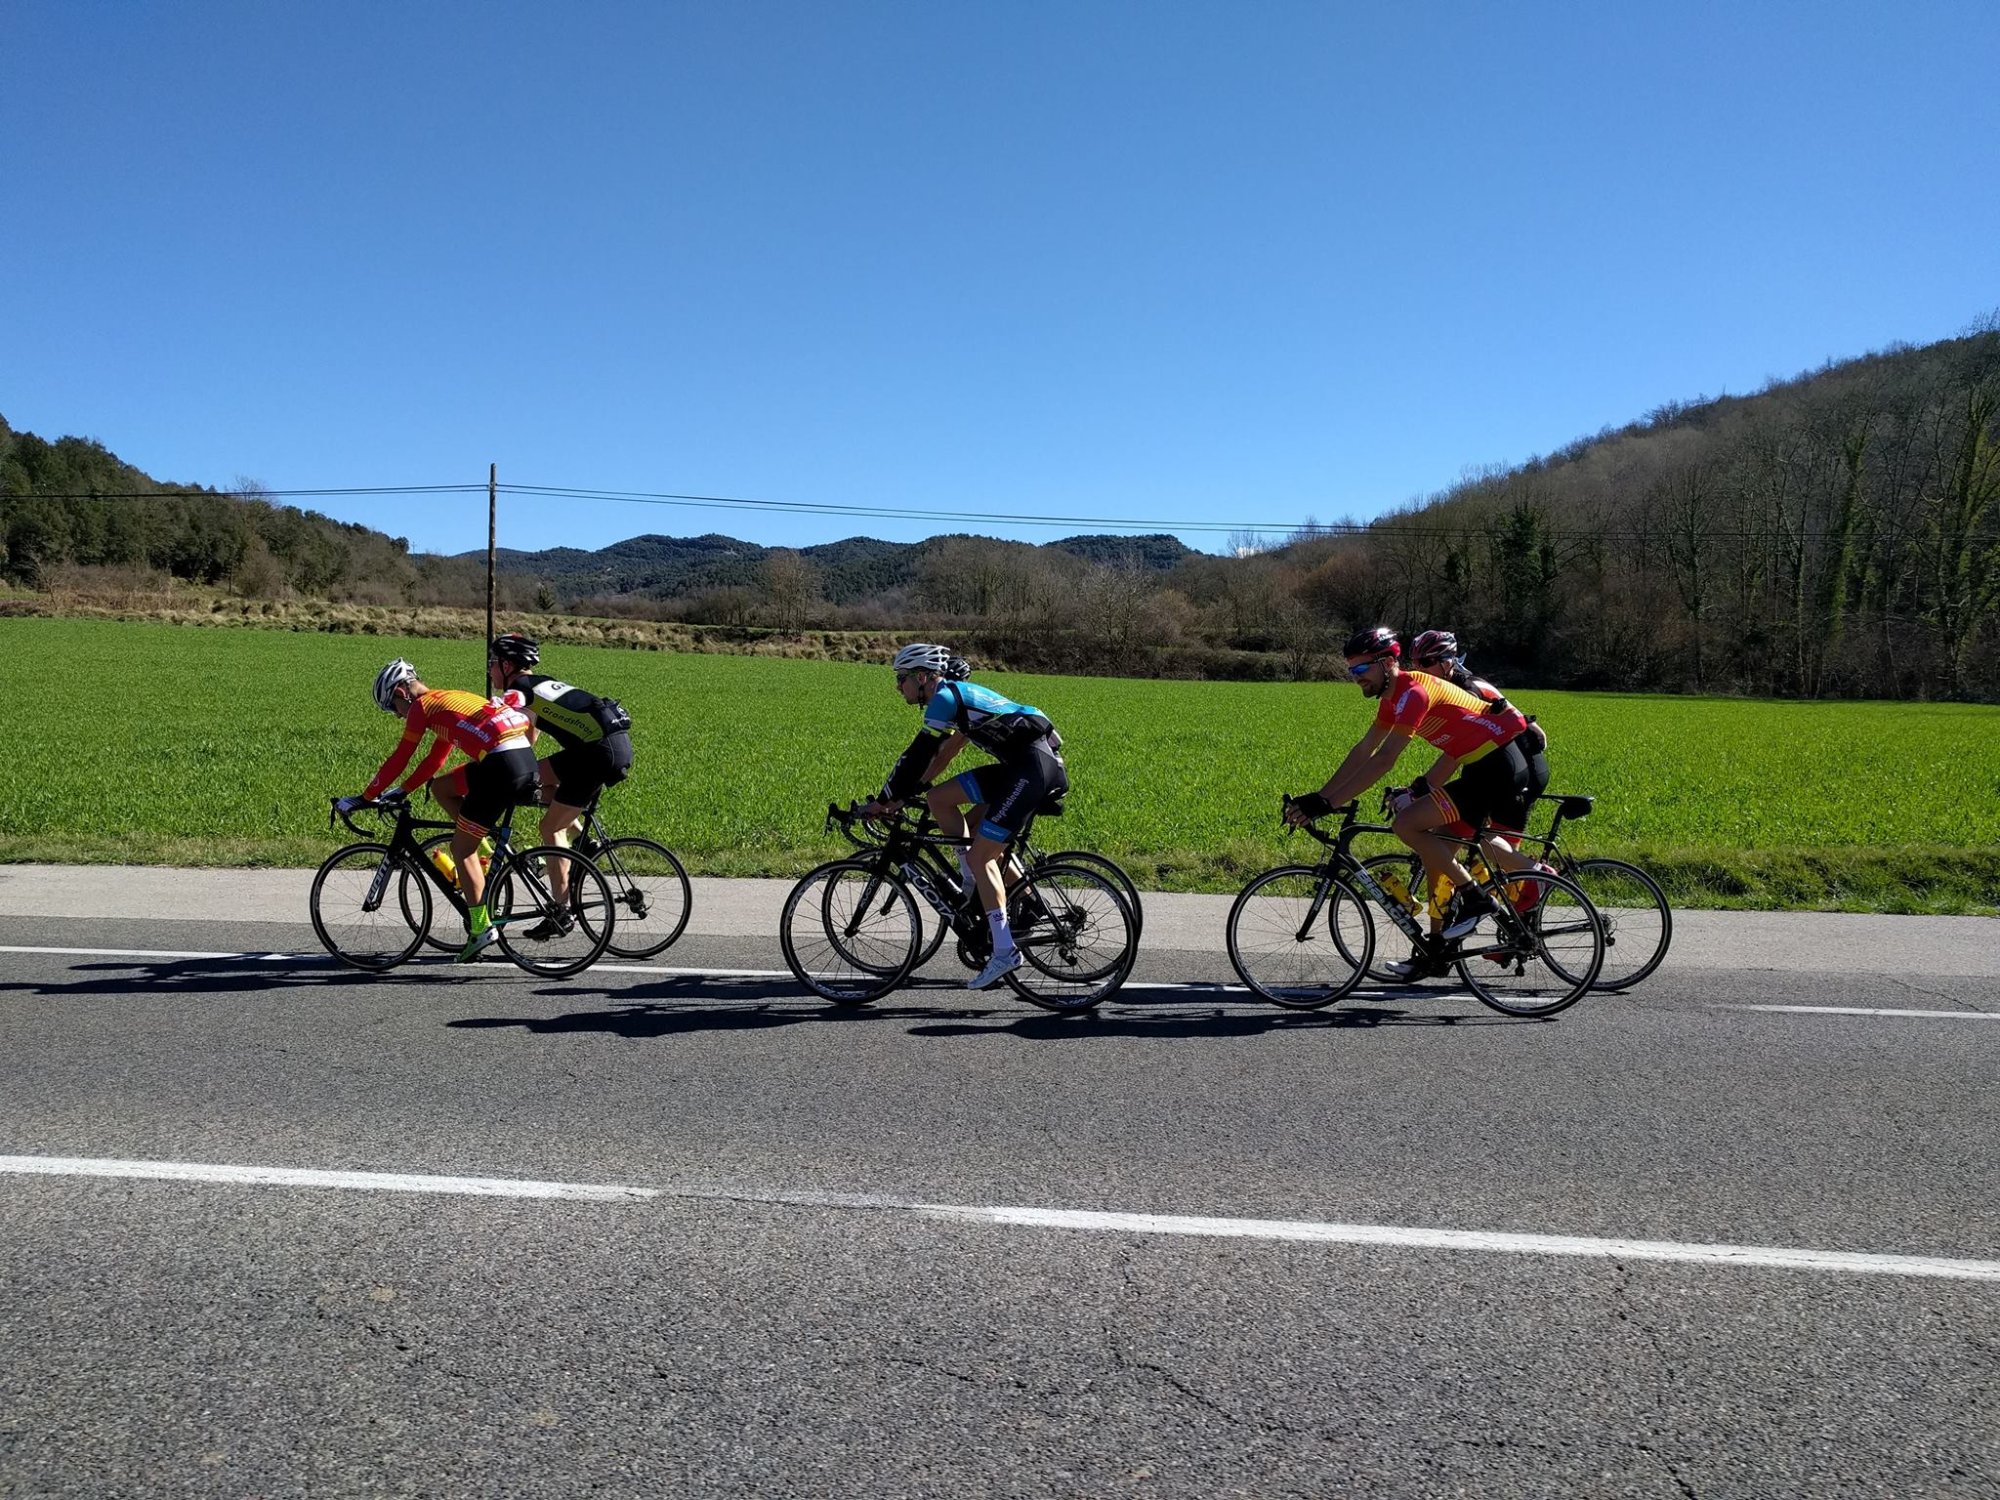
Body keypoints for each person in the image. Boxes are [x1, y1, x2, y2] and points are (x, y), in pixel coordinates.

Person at [1284, 626, 1530, 978]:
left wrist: (1328, 803)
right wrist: (1322, 797)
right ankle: (1438, 950)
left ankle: (1475, 897)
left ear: (1387, 663)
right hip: (1482, 768)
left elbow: (1385, 759)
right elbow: (1364, 750)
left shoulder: (1413, 692)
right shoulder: (1391, 697)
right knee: (1436, 846)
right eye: (1350, 671)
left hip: (1496, 768)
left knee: (1407, 824)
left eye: (1360, 669)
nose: (1356, 679)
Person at [862, 643, 1067, 991]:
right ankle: (972, 878)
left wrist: (886, 799)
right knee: (939, 798)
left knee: (981, 854)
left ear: (923, 676)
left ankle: (1004, 951)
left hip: (1030, 770)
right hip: (1021, 767)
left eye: (901, 679)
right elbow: (934, 760)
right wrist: (910, 792)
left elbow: (918, 753)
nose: (898, 687)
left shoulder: (944, 697)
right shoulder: (954, 697)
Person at [336, 658, 537, 962]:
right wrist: (402, 790)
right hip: (520, 758)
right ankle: (484, 844)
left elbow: (402, 755)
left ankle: (481, 927)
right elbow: (435, 763)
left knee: (461, 849)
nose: (398, 715)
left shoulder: (421, 708)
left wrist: (365, 796)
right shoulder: (445, 702)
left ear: (401, 692)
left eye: (393, 708)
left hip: (500, 765)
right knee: (442, 787)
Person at [486, 633, 634, 933]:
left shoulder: (518, 690)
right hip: (606, 746)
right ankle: (584, 841)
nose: (489, 670)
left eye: (492, 663)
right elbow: (528, 739)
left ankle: (560, 912)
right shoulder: (538, 684)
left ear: (507, 664)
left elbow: (505, 723)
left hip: (596, 753)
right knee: (531, 780)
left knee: (549, 827)